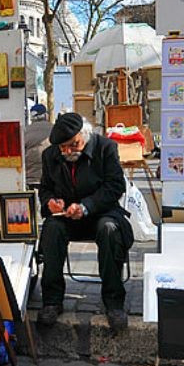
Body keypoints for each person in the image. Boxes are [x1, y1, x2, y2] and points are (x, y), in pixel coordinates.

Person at [37, 112, 133, 333]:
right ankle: (52, 301)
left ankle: (114, 302)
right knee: (51, 229)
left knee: (109, 230)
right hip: (67, 216)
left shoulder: (105, 148)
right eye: (63, 148)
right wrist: (51, 202)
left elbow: (115, 186)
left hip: (101, 212)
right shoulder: (50, 155)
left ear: (85, 134)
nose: (68, 152)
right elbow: (45, 188)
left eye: (73, 145)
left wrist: (86, 206)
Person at [24, 104, 53, 188]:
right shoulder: (54, 129)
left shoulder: (25, 131)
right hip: (50, 178)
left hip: (30, 179)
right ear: (46, 115)